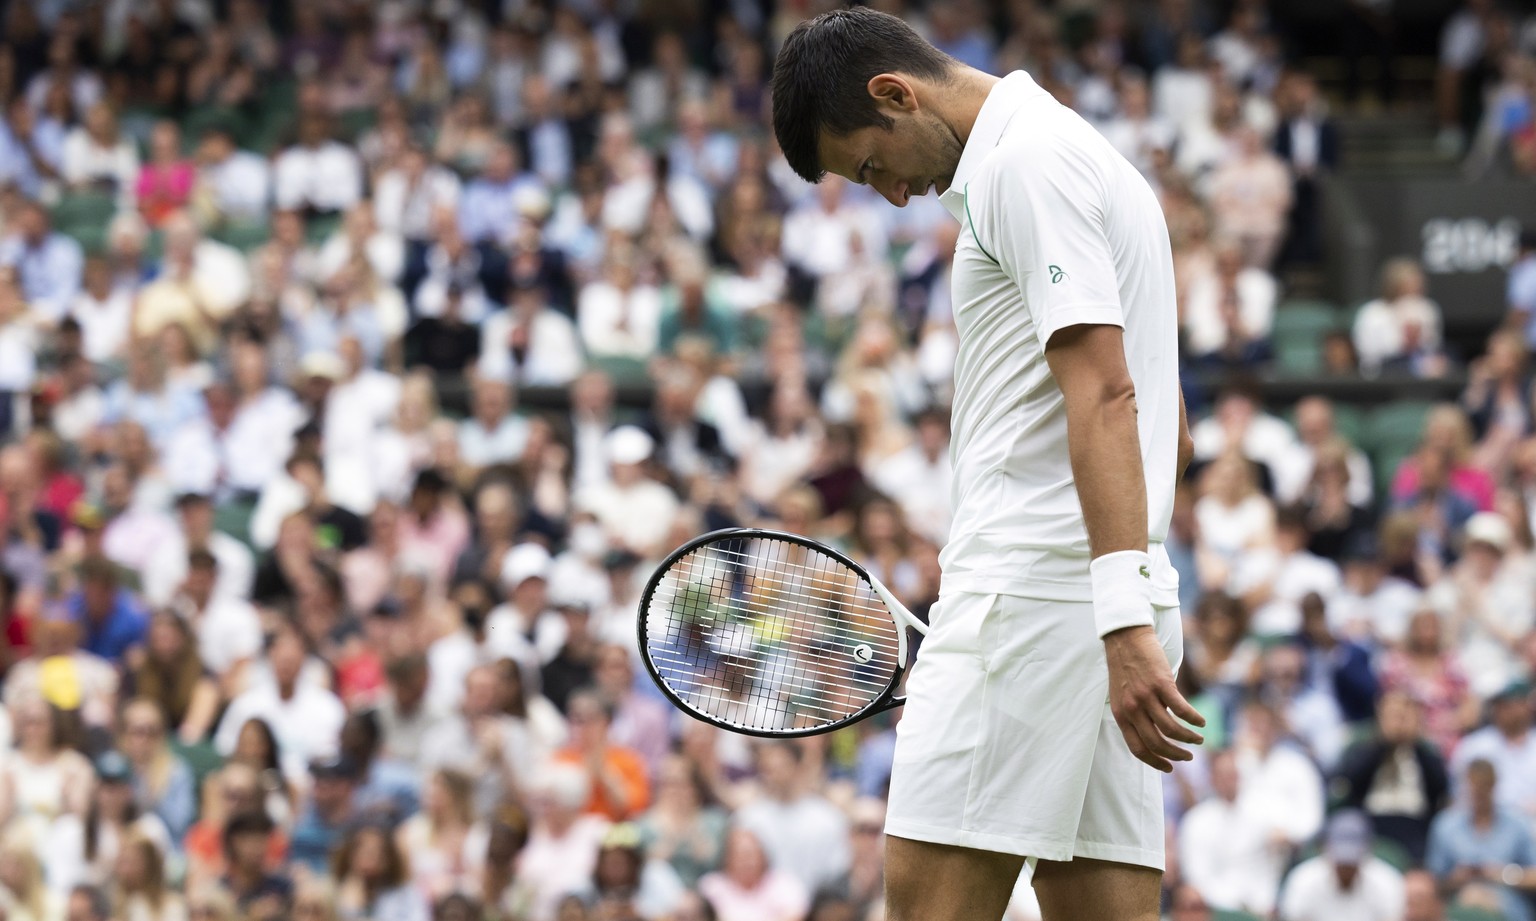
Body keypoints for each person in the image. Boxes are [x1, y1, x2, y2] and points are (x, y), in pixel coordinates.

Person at [772, 11, 1201, 920]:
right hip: (1090, 603)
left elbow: (1107, 397)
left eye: (871, 166)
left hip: (1031, 604)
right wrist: (1123, 612)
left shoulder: (1022, 164)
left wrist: (1114, 620)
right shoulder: (1078, 152)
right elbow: (1169, 425)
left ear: (895, 94)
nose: (889, 195)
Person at [1425, 759, 1536, 921]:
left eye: (1484, 787)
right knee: (1470, 899)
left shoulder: (1517, 824)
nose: (1478, 793)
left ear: (1493, 786)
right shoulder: (1445, 825)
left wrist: (1503, 874)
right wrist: (1456, 878)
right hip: (1458, 900)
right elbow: (1432, 880)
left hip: (1508, 902)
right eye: (1474, 787)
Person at [1276, 810, 1406, 921]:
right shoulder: (1302, 879)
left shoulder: (1388, 881)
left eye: (1351, 863)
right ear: (1325, 848)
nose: (1345, 868)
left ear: (1368, 850)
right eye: (1341, 862)